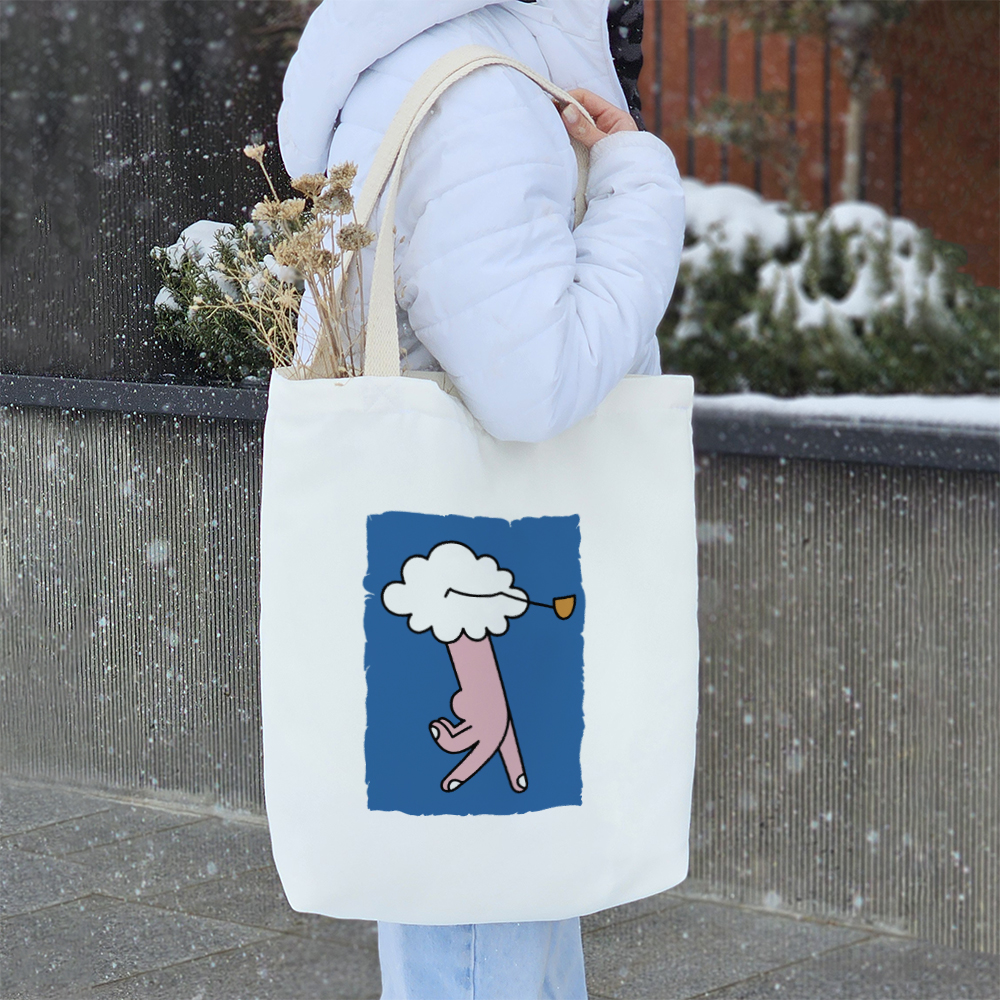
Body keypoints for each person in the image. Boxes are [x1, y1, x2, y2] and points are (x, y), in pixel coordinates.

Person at [278, 1, 685, 996]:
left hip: (450, 543)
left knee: (492, 903)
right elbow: (532, 384)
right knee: (482, 922)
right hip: (491, 533)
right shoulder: (479, 95)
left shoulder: (431, 60)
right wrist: (637, 186)